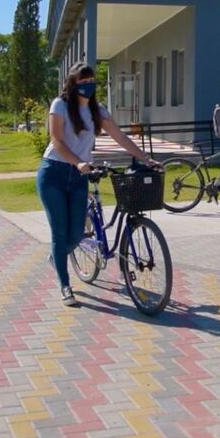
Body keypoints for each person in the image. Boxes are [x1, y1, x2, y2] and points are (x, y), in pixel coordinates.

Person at [37, 63, 159, 307]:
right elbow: (57, 140)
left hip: (79, 177)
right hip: (54, 173)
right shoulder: (60, 105)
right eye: (82, 82)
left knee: (75, 235)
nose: (88, 86)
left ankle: (57, 255)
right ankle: (65, 285)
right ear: (73, 84)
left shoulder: (97, 110)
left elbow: (121, 136)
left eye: (91, 81)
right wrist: (79, 162)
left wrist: (146, 158)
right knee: (60, 233)